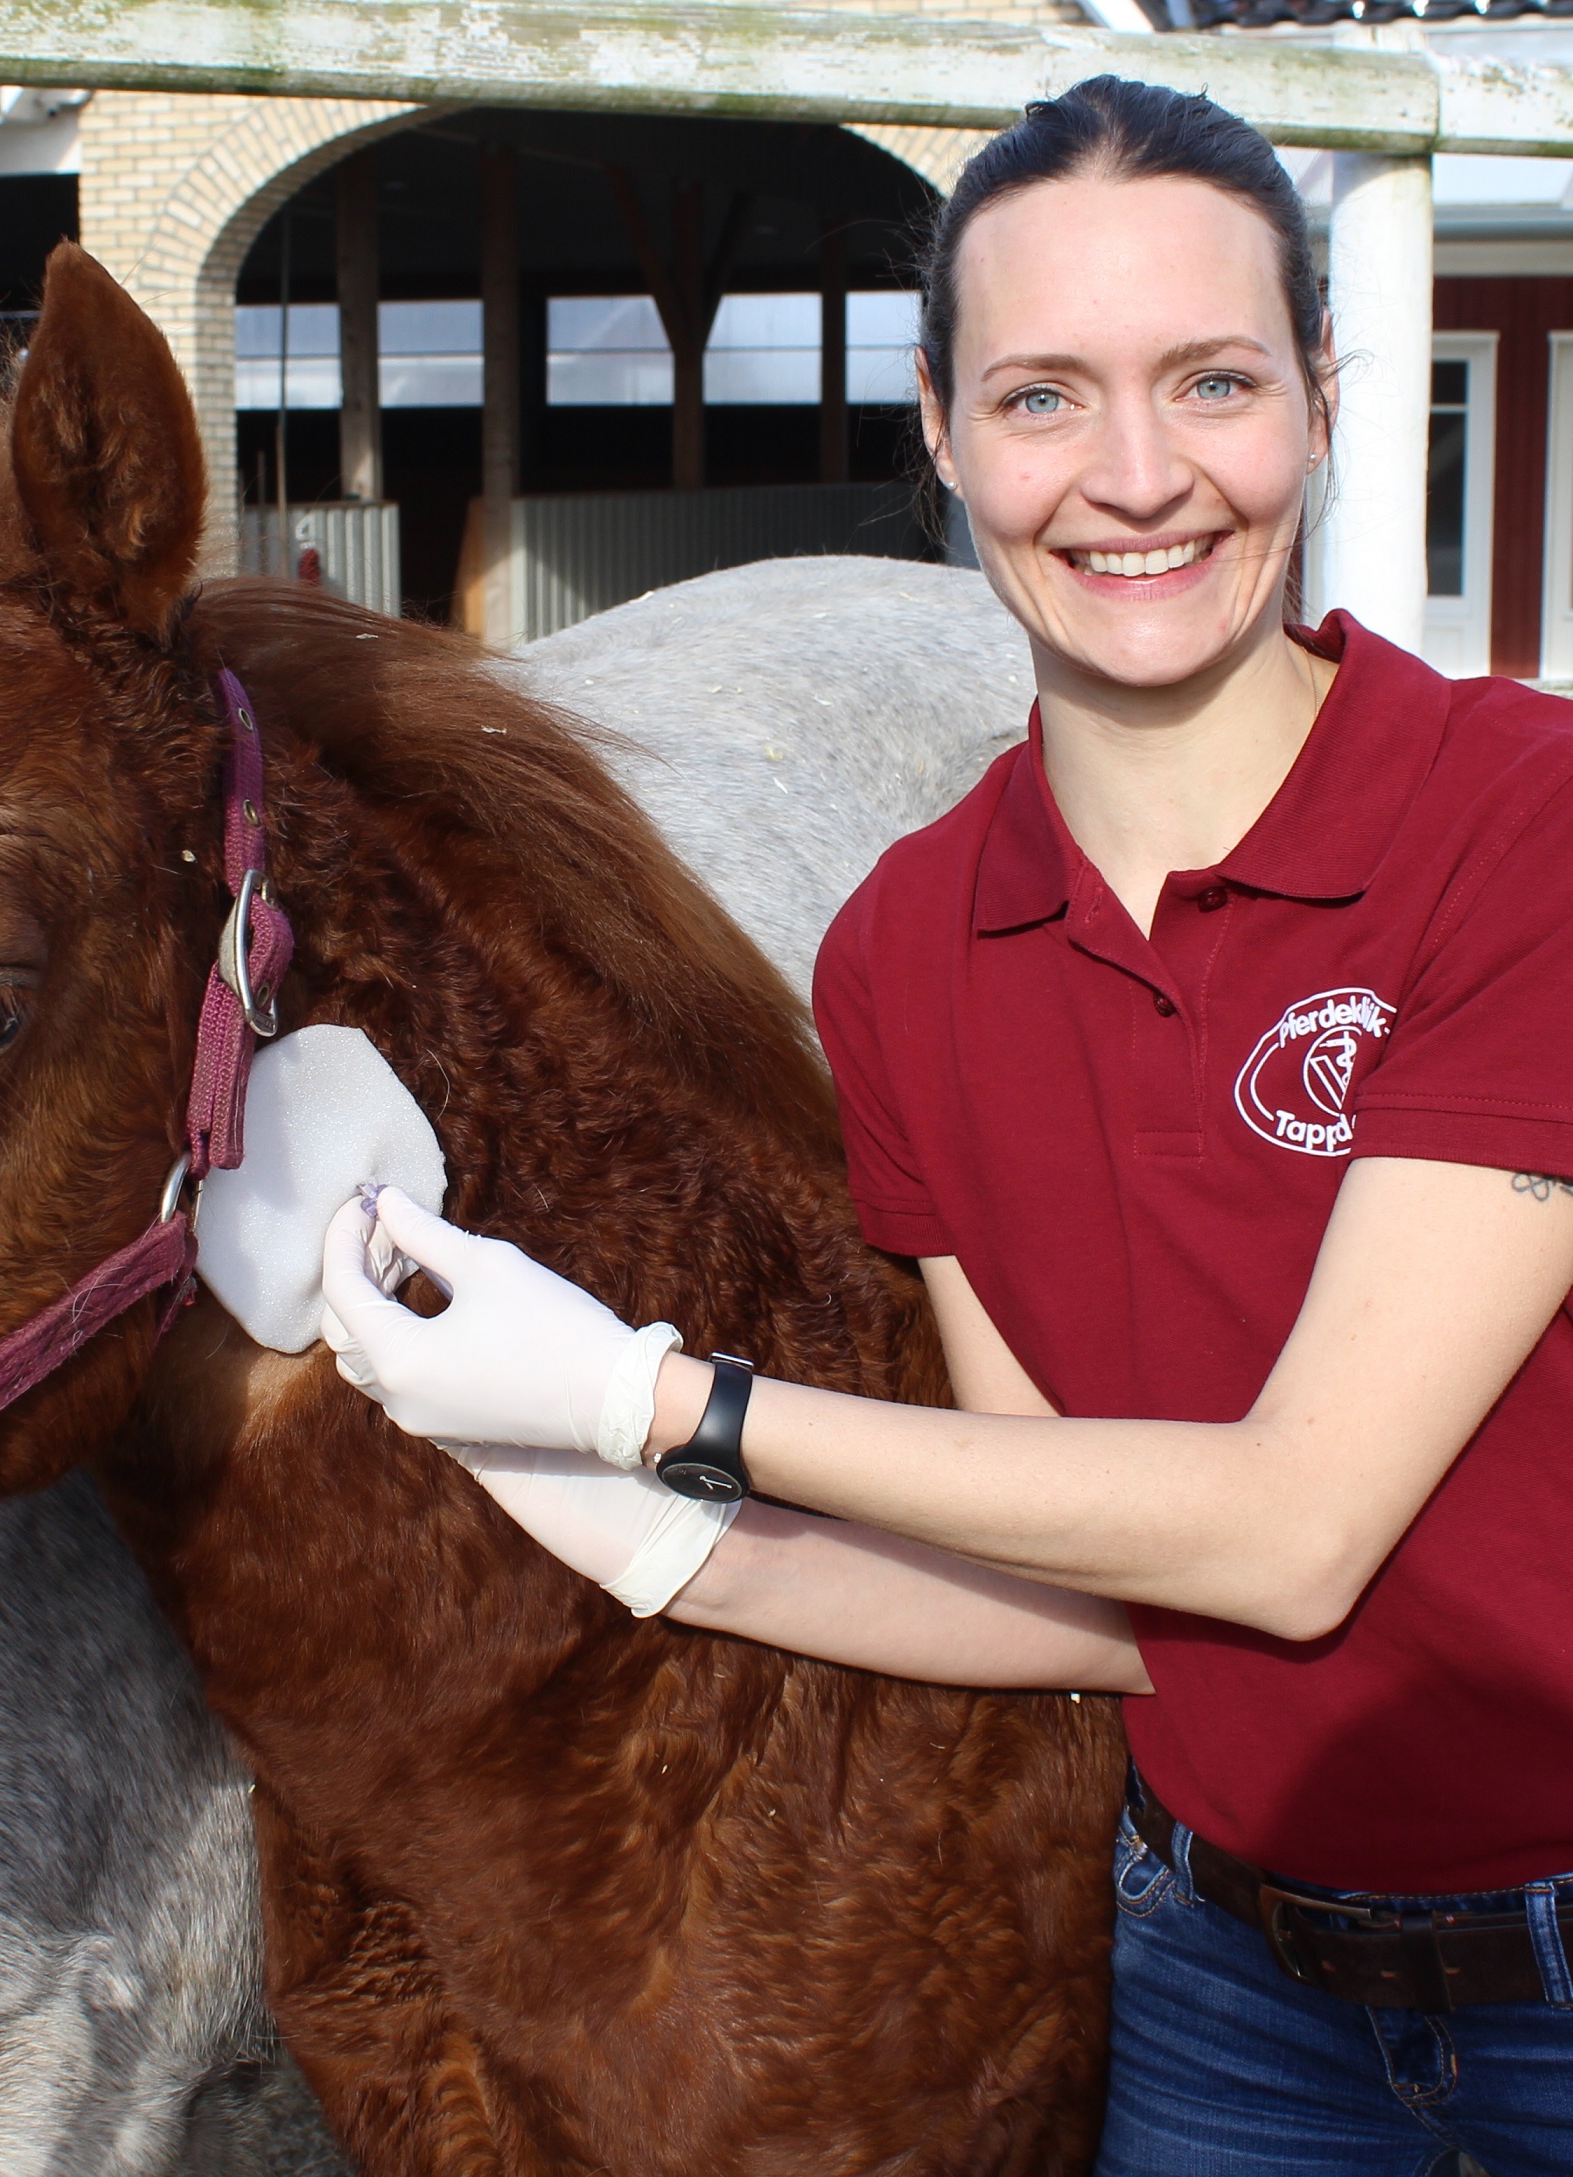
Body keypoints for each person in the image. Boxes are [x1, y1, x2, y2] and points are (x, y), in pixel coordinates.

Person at [319, 76, 1573, 2177]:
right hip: (1226, 1998)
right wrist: (601, 1506)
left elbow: (1292, 1530)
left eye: (1214, 382)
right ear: (940, 427)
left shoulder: (1520, 829)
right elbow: (1072, 1582)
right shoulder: (908, 950)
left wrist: (657, 1403)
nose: (1139, 478)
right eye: (1046, 397)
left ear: (1327, 401)